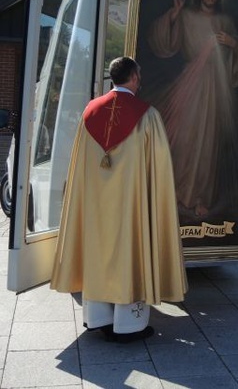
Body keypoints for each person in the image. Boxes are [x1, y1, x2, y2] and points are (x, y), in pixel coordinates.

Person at [50, 57, 187, 342]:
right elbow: (159, 170)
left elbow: (79, 168)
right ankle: (128, 325)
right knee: (130, 250)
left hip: (95, 207)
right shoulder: (147, 115)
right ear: (134, 78)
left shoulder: (89, 112)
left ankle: (97, 318)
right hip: (132, 208)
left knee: (97, 249)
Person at [147, 0, 238, 218]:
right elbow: (163, 42)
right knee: (186, 138)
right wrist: (175, 11)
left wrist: (233, 45)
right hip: (190, 84)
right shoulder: (187, 15)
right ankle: (178, 192)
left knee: (208, 143)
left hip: (216, 88)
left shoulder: (225, 20)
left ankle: (201, 197)